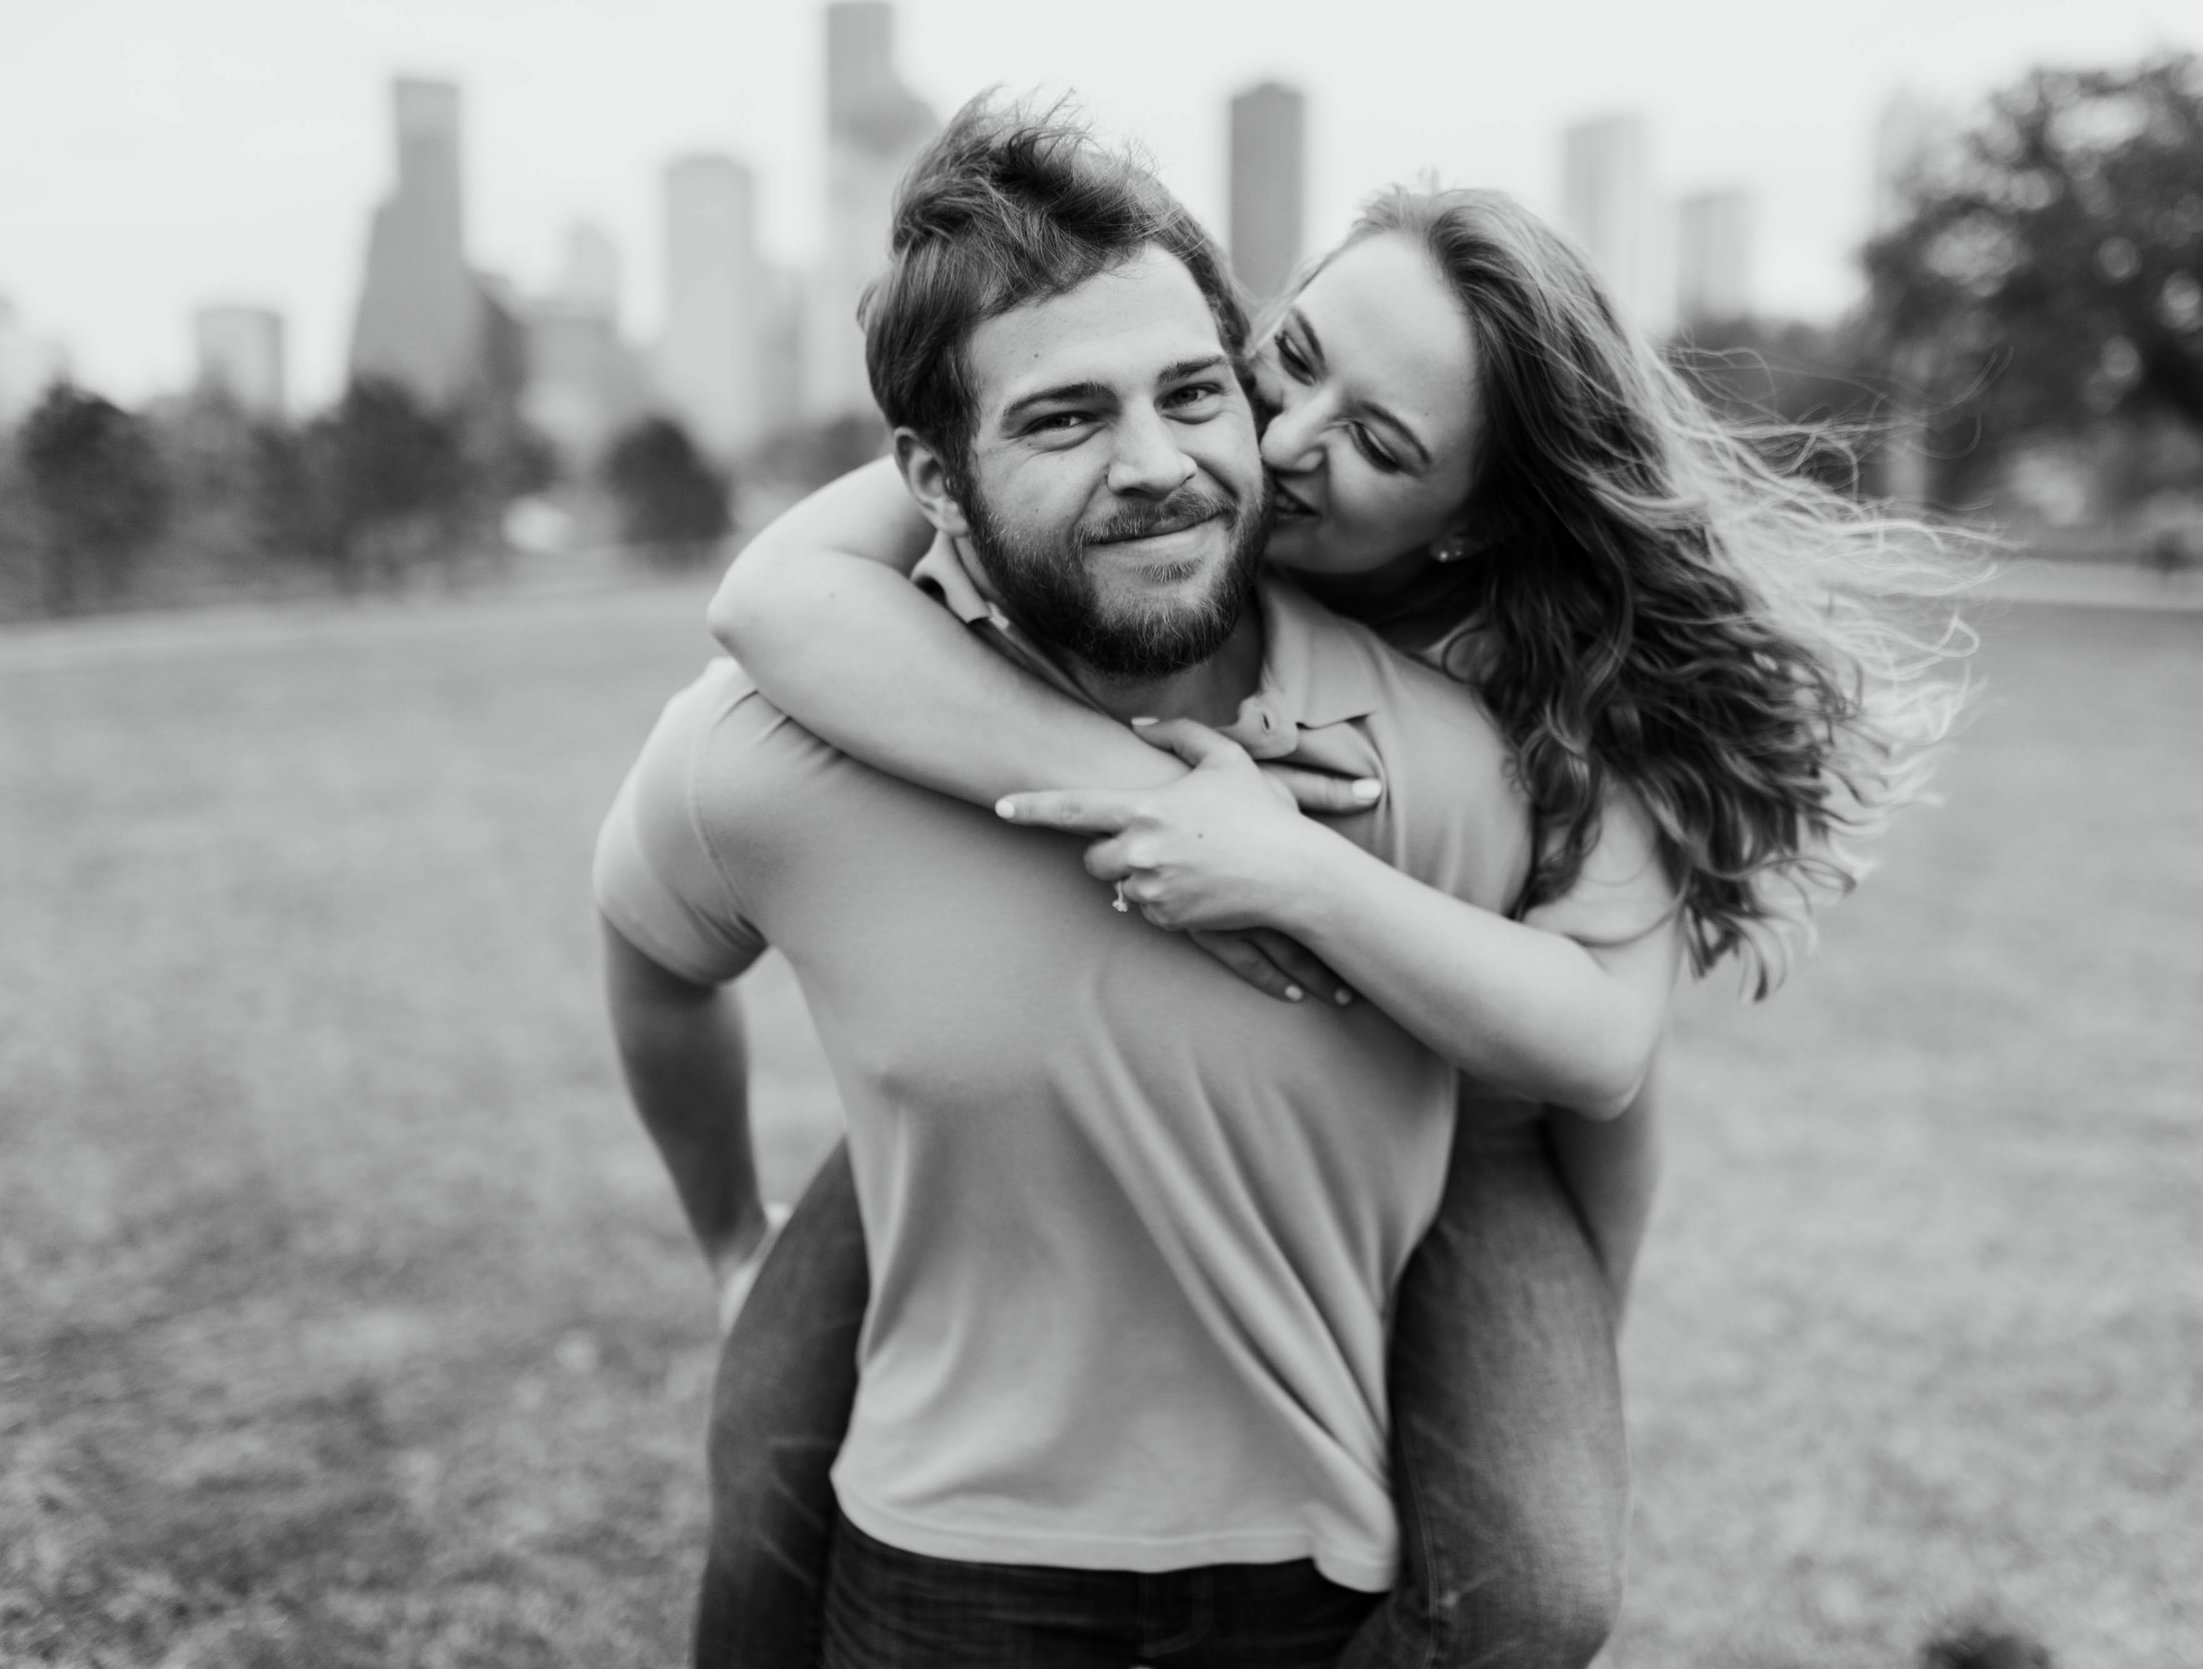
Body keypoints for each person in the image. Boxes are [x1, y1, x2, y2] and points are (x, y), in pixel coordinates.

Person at [698, 125, 1975, 1669]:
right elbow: (771, 601)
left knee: (1537, 1584)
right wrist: (1169, 796)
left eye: (1378, 444)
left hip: (1464, 1105)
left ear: (1475, 511)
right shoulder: (1134, 445)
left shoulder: (1567, 686)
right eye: (1285, 356)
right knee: (766, 1441)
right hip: (1049, 1096)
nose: (1283, 434)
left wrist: (1301, 872)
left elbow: (1592, 1053)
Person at [598, 100, 1557, 1667]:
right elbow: (646, 956)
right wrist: (727, 1235)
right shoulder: (761, 752)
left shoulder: (1437, 762)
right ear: (932, 475)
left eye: (1196, 393)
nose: (1161, 466)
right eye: (1062, 420)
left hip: (1318, 1575)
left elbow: (1564, 1087)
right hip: (937, 1565)